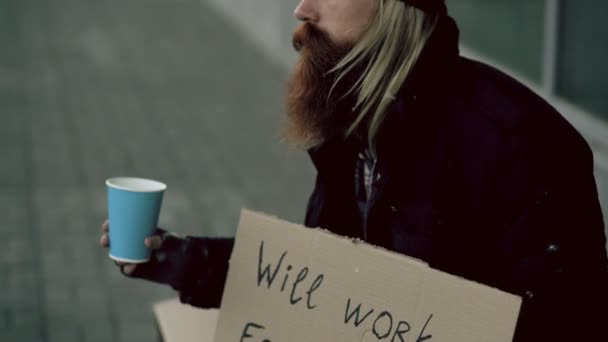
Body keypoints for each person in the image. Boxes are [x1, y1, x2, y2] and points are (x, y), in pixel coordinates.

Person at [99, 0, 608, 340]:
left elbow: (568, 328)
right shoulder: (358, 123)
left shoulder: (522, 144)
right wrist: (188, 262)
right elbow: (328, 283)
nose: (301, 9)